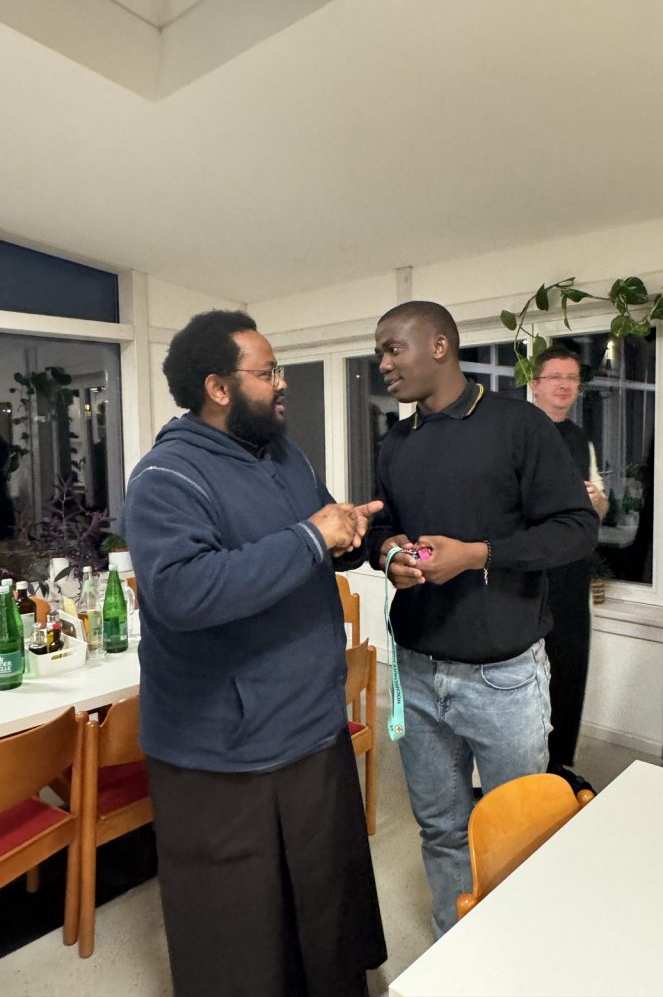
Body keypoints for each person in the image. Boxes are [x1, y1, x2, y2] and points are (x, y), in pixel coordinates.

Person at [122, 310, 386, 997]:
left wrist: (351, 534)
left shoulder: (283, 454)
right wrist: (311, 537)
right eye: (267, 373)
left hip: (310, 721)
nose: (282, 383)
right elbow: (184, 592)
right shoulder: (166, 478)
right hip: (226, 748)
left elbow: (317, 530)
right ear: (218, 387)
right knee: (242, 927)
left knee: (324, 895)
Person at [368, 301, 598, 936]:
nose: (382, 363)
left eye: (393, 348)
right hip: (415, 672)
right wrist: (389, 555)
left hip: (504, 677)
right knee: (440, 829)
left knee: (519, 830)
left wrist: (478, 555)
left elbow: (577, 529)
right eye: (380, 352)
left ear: (440, 346)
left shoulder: (518, 425)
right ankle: (456, 944)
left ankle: (518, 951)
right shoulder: (397, 442)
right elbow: (384, 528)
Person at [530, 346, 608, 792]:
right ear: (535, 384)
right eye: (555, 377)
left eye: (572, 378)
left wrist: (596, 500)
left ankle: (558, 766)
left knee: (569, 667)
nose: (564, 385)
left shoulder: (581, 441)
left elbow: (601, 507)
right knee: (525, 673)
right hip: (529, 571)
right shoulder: (517, 432)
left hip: (573, 572)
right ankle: (521, 770)